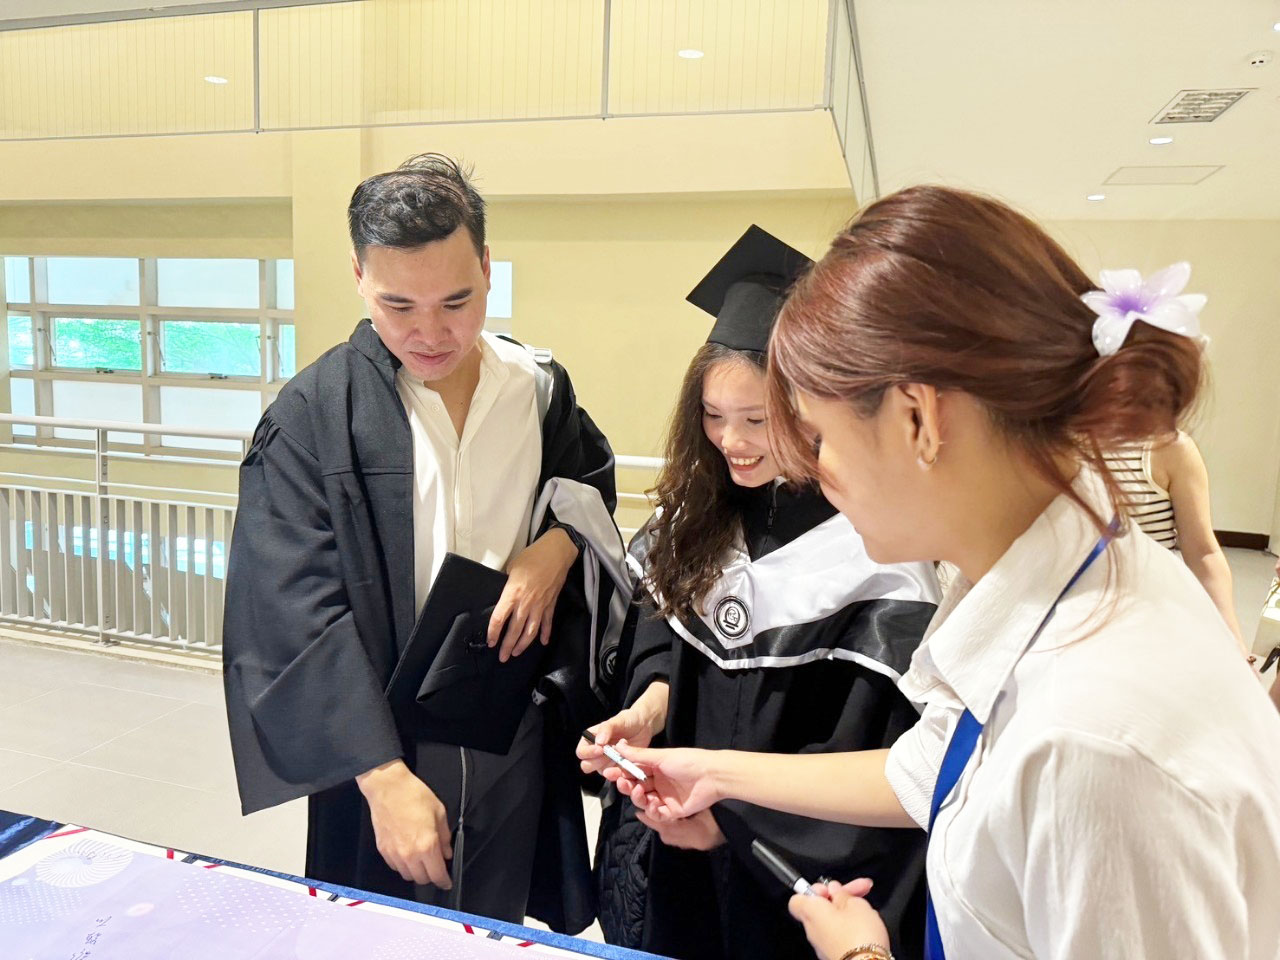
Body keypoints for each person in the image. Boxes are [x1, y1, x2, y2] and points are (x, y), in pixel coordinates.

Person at [602, 187, 1280, 959]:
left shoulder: (1092, 744)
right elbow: (934, 765)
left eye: (817, 436)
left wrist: (862, 957)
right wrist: (714, 772)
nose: (811, 471)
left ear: (918, 420)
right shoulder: (1068, 564)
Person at [222, 153, 623, 933]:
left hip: (510, 712)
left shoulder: (537, 386)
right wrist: (380, 778)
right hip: (386, 735)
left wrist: (558, 547)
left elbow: (587, 481)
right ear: (358, 277)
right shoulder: (314, 416)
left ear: (488, 268)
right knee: (383, 931)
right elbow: (292, 609)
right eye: (397, 304)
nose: (430, 333)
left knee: (498, 920)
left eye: (456, 301)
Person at [580, 226, 939, 960]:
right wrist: (648, 709)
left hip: (790, 873)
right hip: (679, 837)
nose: (732, 443)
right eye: (713, 417)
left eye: (756, 420)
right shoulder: (695, 516)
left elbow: (874, 749)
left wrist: (736, 818)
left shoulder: (875, 547)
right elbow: (661, 637)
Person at [1104, 429, 1245, 643]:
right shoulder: (1056, 441)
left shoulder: (1168, 446)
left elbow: (1203, 553)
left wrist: (1233, 640)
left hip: (1148, 619)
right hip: (1069, 621)